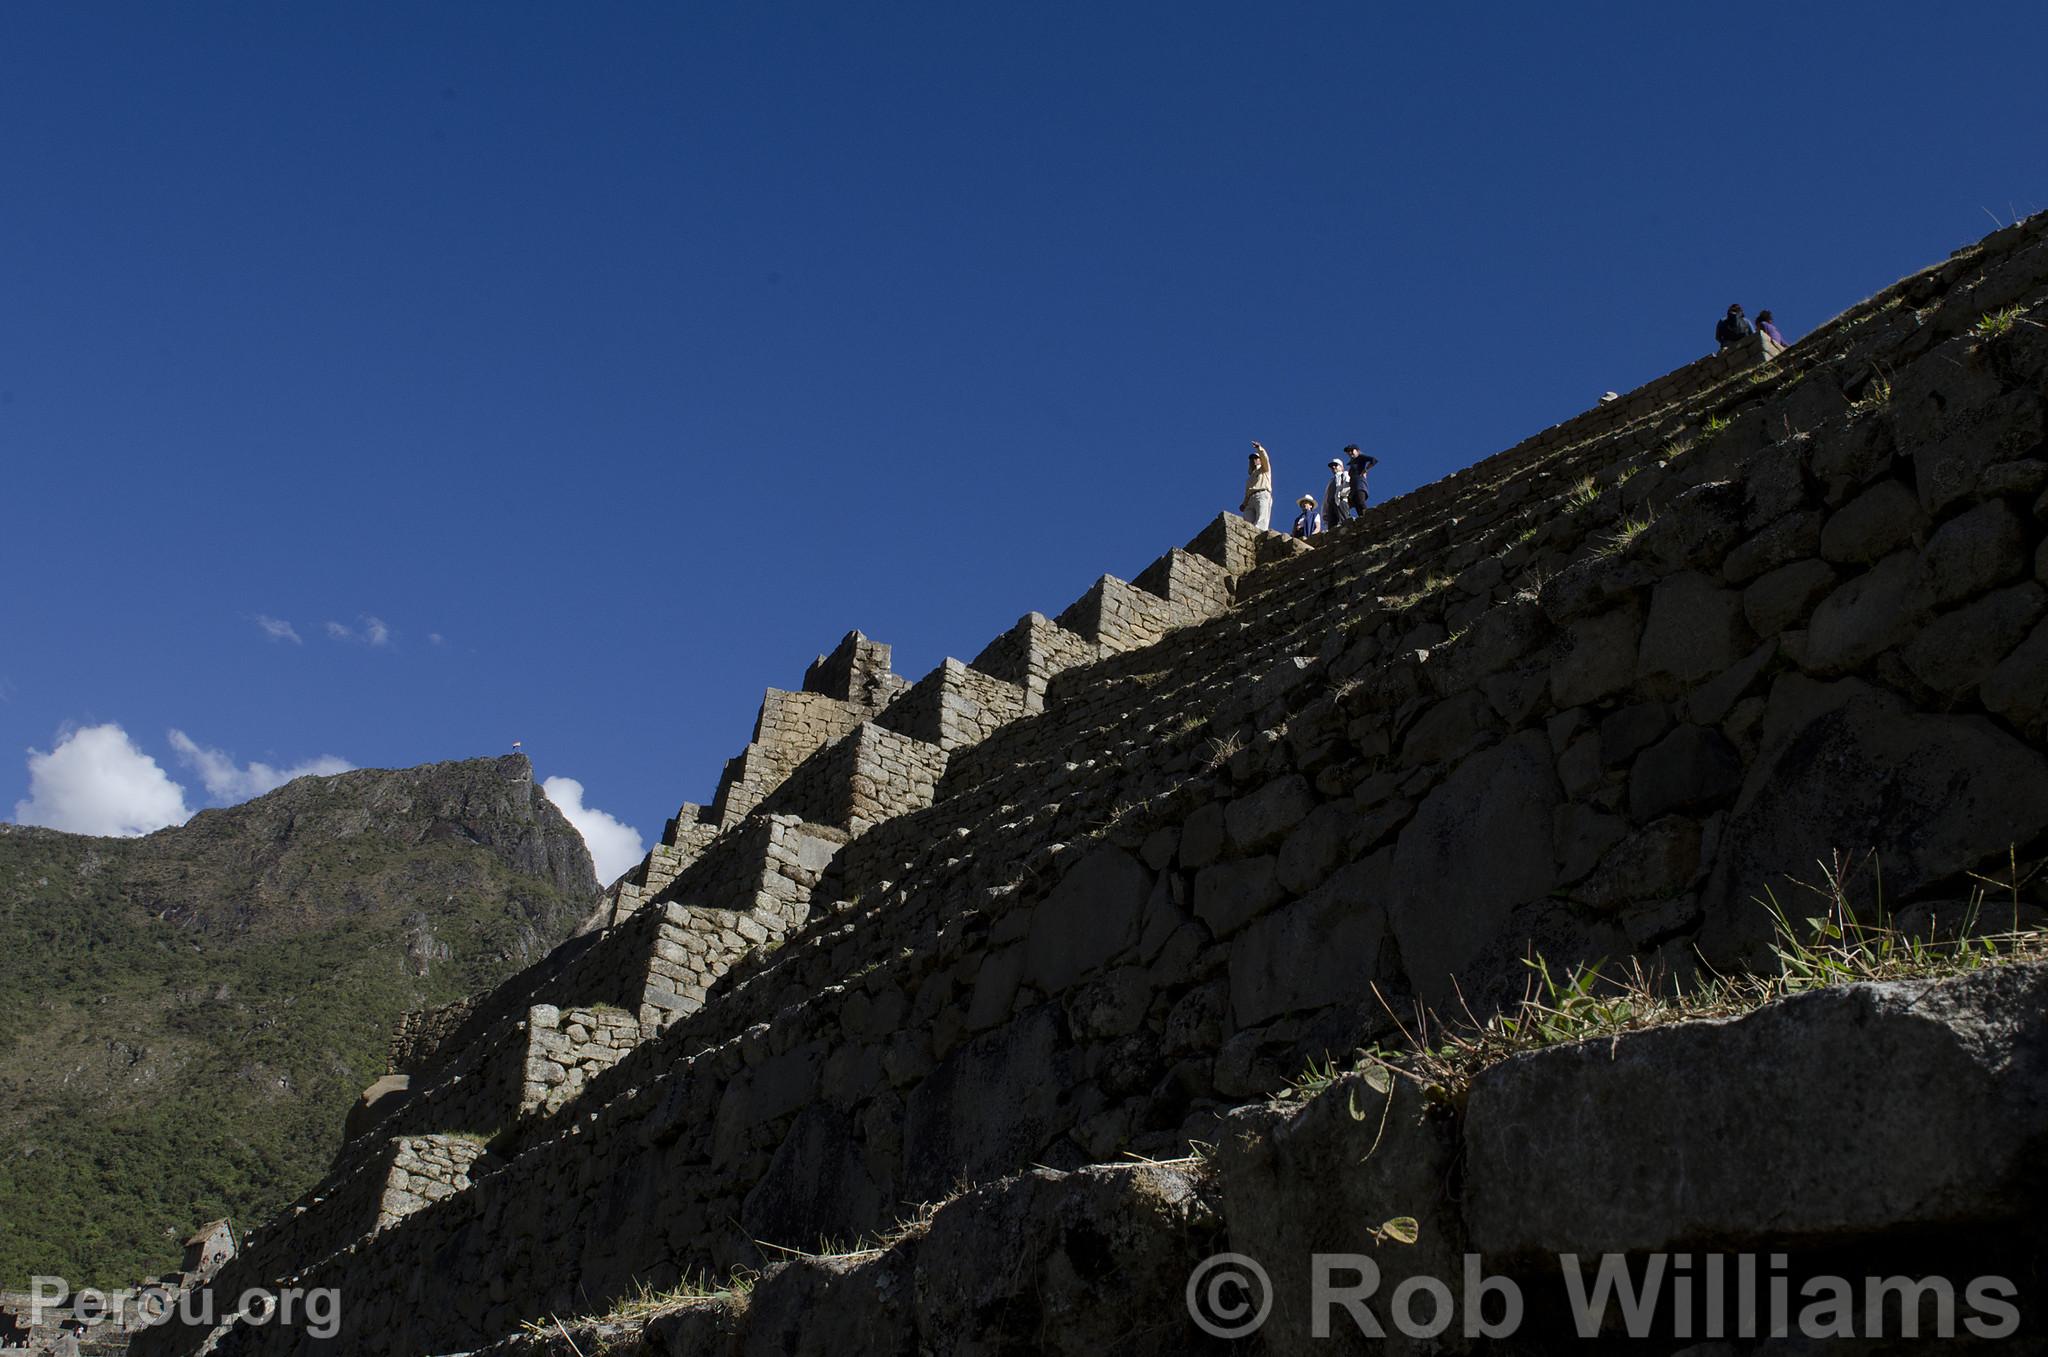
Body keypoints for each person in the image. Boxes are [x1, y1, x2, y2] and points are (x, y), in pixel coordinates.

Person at [1241, 442, 1273, 530]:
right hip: (1251, 499)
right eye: (1252, 459)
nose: (1254, 460)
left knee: (1261, 519)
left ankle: (1260, 535)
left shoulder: (1264, 469)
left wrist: (1259, 449)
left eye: (1256, 458)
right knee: (1247, 519)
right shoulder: (1250, 478)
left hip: (1262, 494)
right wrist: (1244, 503)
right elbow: (1247, 492)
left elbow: (1265, 458)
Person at [1345, 444, 1379, 518]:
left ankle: (1370, 518)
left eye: (1351, 450)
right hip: (1353, 487)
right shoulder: (1352, 463)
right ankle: (1363, 520)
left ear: (1357, 451)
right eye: (1348, 452)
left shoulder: (1360, 457)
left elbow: (1373, 460)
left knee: (1360, 502)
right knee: (1356, 505)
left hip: (1360, 484)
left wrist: (1366, 469)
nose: (1350, 453)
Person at [1322, 458, 1351, 527]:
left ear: (1341, 467)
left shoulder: (1345, 474)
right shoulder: (1331, 481)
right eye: (1332, 466)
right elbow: (1326, 498)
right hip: (1331, 505)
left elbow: (1348, 485)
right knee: (1331, 526)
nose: (1333, 467)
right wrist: (1325, 512)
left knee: (1344, 521)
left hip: (1341, 501)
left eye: (1335, 465)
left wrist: (1341, 495)